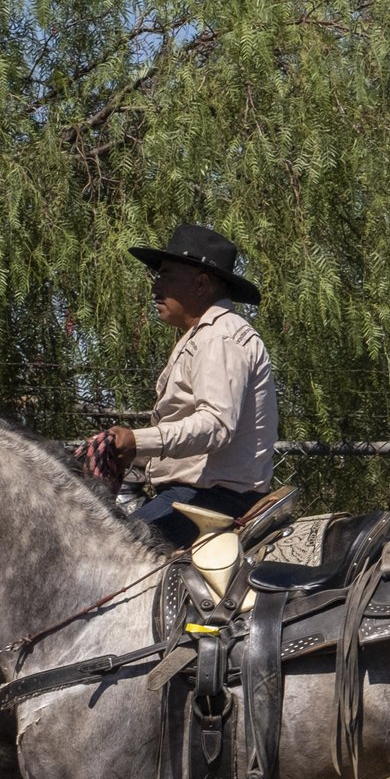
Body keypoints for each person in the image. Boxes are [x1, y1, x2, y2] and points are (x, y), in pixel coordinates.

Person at [104, 224, 279, 547]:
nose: (156, 286)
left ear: (201, 284)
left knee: (112, 553)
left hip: (211, 499)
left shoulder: (219, 337)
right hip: (197, 495)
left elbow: (215, 426)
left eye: (167, 275)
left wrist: (136, 442)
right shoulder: (207, 335)